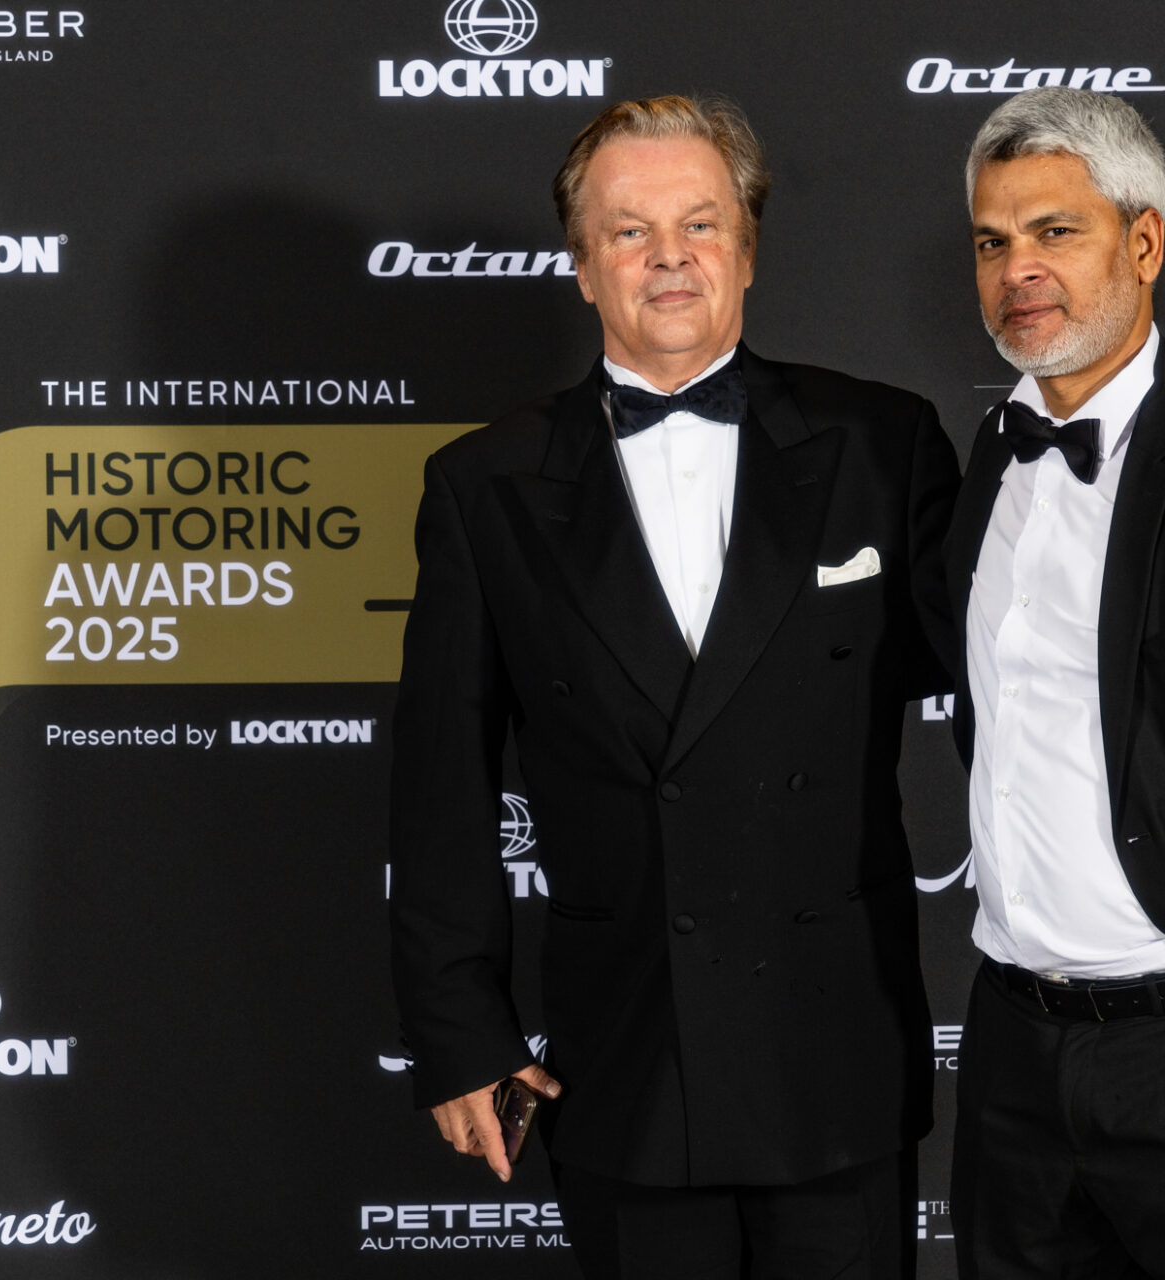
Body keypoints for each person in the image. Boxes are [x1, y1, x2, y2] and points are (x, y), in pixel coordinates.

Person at [390, 94, 959, 1279]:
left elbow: (1004, 693)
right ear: (580, 266)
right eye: (628, 231)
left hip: (833, 1051)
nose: (668, 256)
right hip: (624, 1055)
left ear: (746, 252)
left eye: (699, 224)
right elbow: (441, 782)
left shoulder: (882, 441)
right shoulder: (483, 485)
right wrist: (458, 1030)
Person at [945, 86, 1165, 1278]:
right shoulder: (992, 451)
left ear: (1143, 242)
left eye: (1053, 231)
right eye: (991, 242)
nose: (1015, 268)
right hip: (1010, 1046)